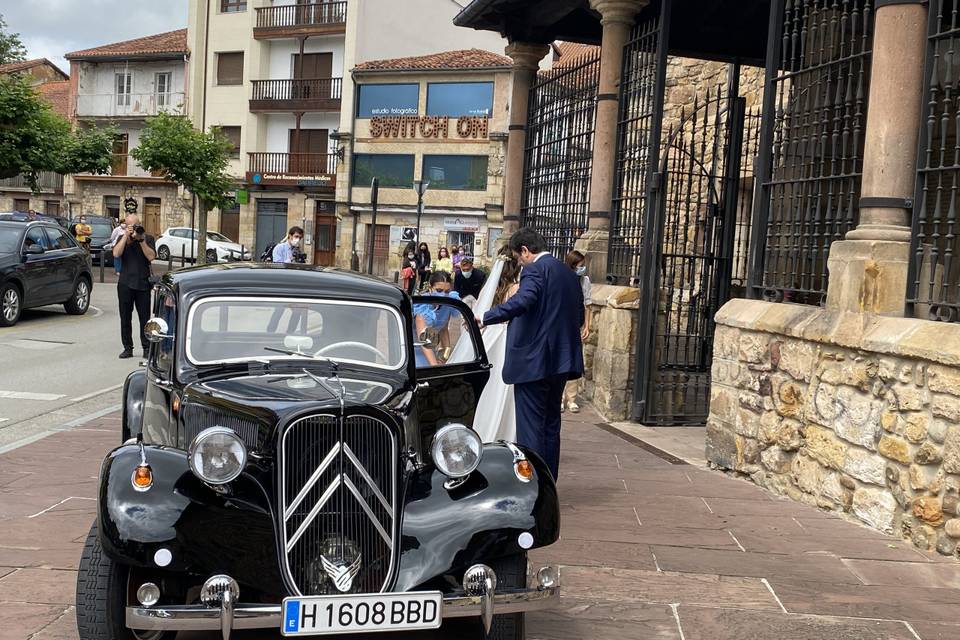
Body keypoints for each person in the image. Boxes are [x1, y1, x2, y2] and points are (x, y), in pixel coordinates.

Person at [478, 227, 584, 479]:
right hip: (560, 361)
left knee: (531, 427)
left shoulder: (535, 269)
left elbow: (523, 301)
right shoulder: (568, 274)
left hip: (533, 361)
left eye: (518, 257)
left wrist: (486, 317)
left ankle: (534, 483)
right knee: (550, 424)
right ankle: (549, 479)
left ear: (525, 251)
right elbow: (578, 316)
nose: (519, 262)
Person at [457, 246, 521, 442]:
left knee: (486, 388)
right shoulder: (516, 288)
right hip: (505, 339)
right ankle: (501, 433)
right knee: (503, 388)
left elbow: (478, 314)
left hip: (488, 337)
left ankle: (480, 428)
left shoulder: (488, 288)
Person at [113, 214, 156, 359]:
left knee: (145, 318)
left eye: (135, 225)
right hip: (125, 284)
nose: (133, 228)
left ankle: (146, 347)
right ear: (126, 225)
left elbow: (151, 257)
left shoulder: (148, 238)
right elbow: (116, 253)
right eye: (130, 225)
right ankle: (127, 347)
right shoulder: (122, 239)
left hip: (143, 283)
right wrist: (126, 235)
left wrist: (141, 240)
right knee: (125, 318)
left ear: (140, 224)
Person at [562, 250, 592, 413]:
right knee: (562, 360)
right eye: (581, 266)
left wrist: (587, 326)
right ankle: (559, 397)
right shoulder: (564, 278)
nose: (583, 268)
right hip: (563, 323)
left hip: (576, 323)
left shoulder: (584, 281)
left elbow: (587, 305)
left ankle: (572, 398)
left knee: (575, 360)